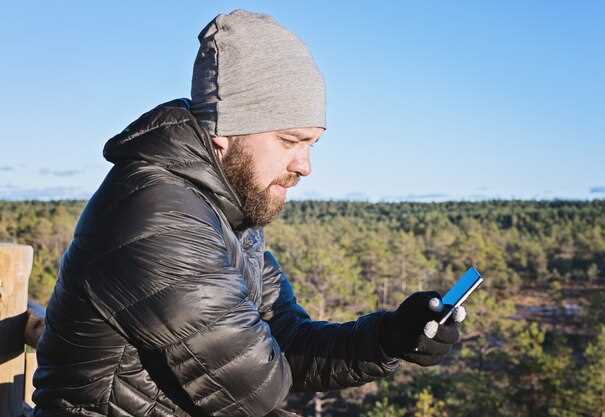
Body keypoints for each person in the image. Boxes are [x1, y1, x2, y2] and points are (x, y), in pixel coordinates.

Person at [32, 9, 466, 417]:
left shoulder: (227, 213)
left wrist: (389, 337)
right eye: (288, 141)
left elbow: (286, 338)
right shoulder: (158, 218)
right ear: (224, 132)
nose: (305, 165)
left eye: (312, 144)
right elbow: (258, 388)